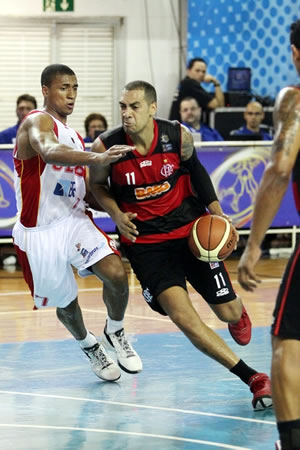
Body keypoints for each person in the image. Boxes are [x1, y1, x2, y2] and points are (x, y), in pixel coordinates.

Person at [89, 79, 272, 410]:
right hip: (147, 246)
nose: (126, 114)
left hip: (192, 236)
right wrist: (115, 213)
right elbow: (96, 187)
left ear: (152, 108)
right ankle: (254, 378)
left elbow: (197, 172)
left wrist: (219, 215)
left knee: (227, 310)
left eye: (134, 107)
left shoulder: (177, 136)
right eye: (122, 107)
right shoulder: (109, 146)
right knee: (184, 317)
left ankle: (236, 311)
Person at [12, 64, 142, 382]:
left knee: (115, 272)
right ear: (46, 90)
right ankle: (88, 344)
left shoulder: (76, 136)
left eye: (75, 88)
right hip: (39, 231)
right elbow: (50, 151)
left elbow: (81, 189)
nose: (71, 95)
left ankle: (115, 330)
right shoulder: (36, 121)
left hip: (73, 220)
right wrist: (98, 158)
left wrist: (116, 213)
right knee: (65, 303)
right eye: (63, 88)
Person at [237, 20, 300, 450]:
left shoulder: (293, 101)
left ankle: (290, 442)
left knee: (287, 338)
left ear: (294, 53)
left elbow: (278, 169)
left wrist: (254, 244)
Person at [169, 57, 224, 121]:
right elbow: (218, 106)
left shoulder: (185, 83)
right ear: (188, 71)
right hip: (181, 128)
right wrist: (216, 82)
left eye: (203, 72)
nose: (201, 74)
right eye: (197, 71)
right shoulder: (190, 84)